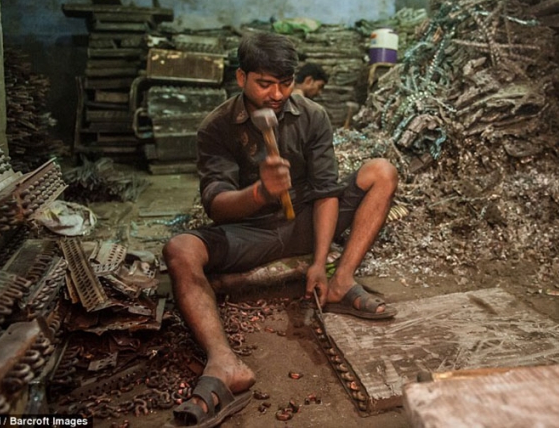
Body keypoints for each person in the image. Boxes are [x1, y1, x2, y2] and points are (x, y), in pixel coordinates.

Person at [162, 32, 398, 427]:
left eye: (284, 83)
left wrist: (320, 263)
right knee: (180, 250)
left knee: (382, 172)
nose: (276, 94)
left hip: (306, 222)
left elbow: (326, 194)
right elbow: (216, 206)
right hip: (249, 233)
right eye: (265, 83)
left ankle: (341, 281)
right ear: (241, 78)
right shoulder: (216, 127)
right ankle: (224, 363)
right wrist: (258, 193)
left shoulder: (312, 115)